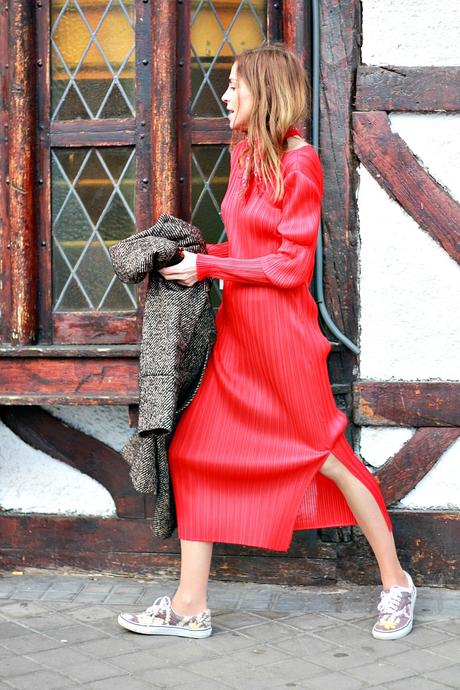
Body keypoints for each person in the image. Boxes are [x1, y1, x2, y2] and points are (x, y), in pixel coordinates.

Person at [118, 43, 416, 641]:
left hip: (282, 340)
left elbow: (287, 266)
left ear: (267, 92)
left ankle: (398, 583)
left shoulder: (302, 163)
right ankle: (189, 605)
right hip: (238, 336)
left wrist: (210, 270)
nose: (224, 96)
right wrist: (199, 258)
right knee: (191, 453)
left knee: (327, 457)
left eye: (235, 86)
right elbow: (245, 248)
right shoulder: (248, 153)